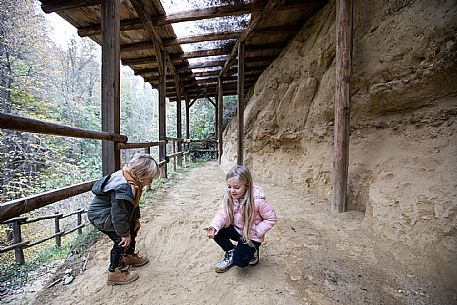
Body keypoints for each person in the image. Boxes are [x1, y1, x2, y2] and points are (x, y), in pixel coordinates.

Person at [87, 154, 160, 285]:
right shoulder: (124, 187)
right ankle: (114, 272)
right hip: (102, 215)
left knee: (132, 227)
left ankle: (128, 256)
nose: (150, 182)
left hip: (111, 213)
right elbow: (119, 215)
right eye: (150, 179)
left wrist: (135, 219)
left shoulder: (132, 181)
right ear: (140, 175)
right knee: (121, 241)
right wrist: (124, 235)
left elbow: (132, 204)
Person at [204, 165, 277, 273]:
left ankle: (252, 250)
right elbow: (223, 214)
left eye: (236, 187)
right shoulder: (229, 197)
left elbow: (271, 219)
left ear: (247, 186)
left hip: (251, 235)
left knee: (240, 262)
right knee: (217, 231)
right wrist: (214, 226)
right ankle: (231, 251)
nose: (232, 191)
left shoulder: (258, 201)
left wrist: (256, 232)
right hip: (238, 230)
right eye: (229, 186)